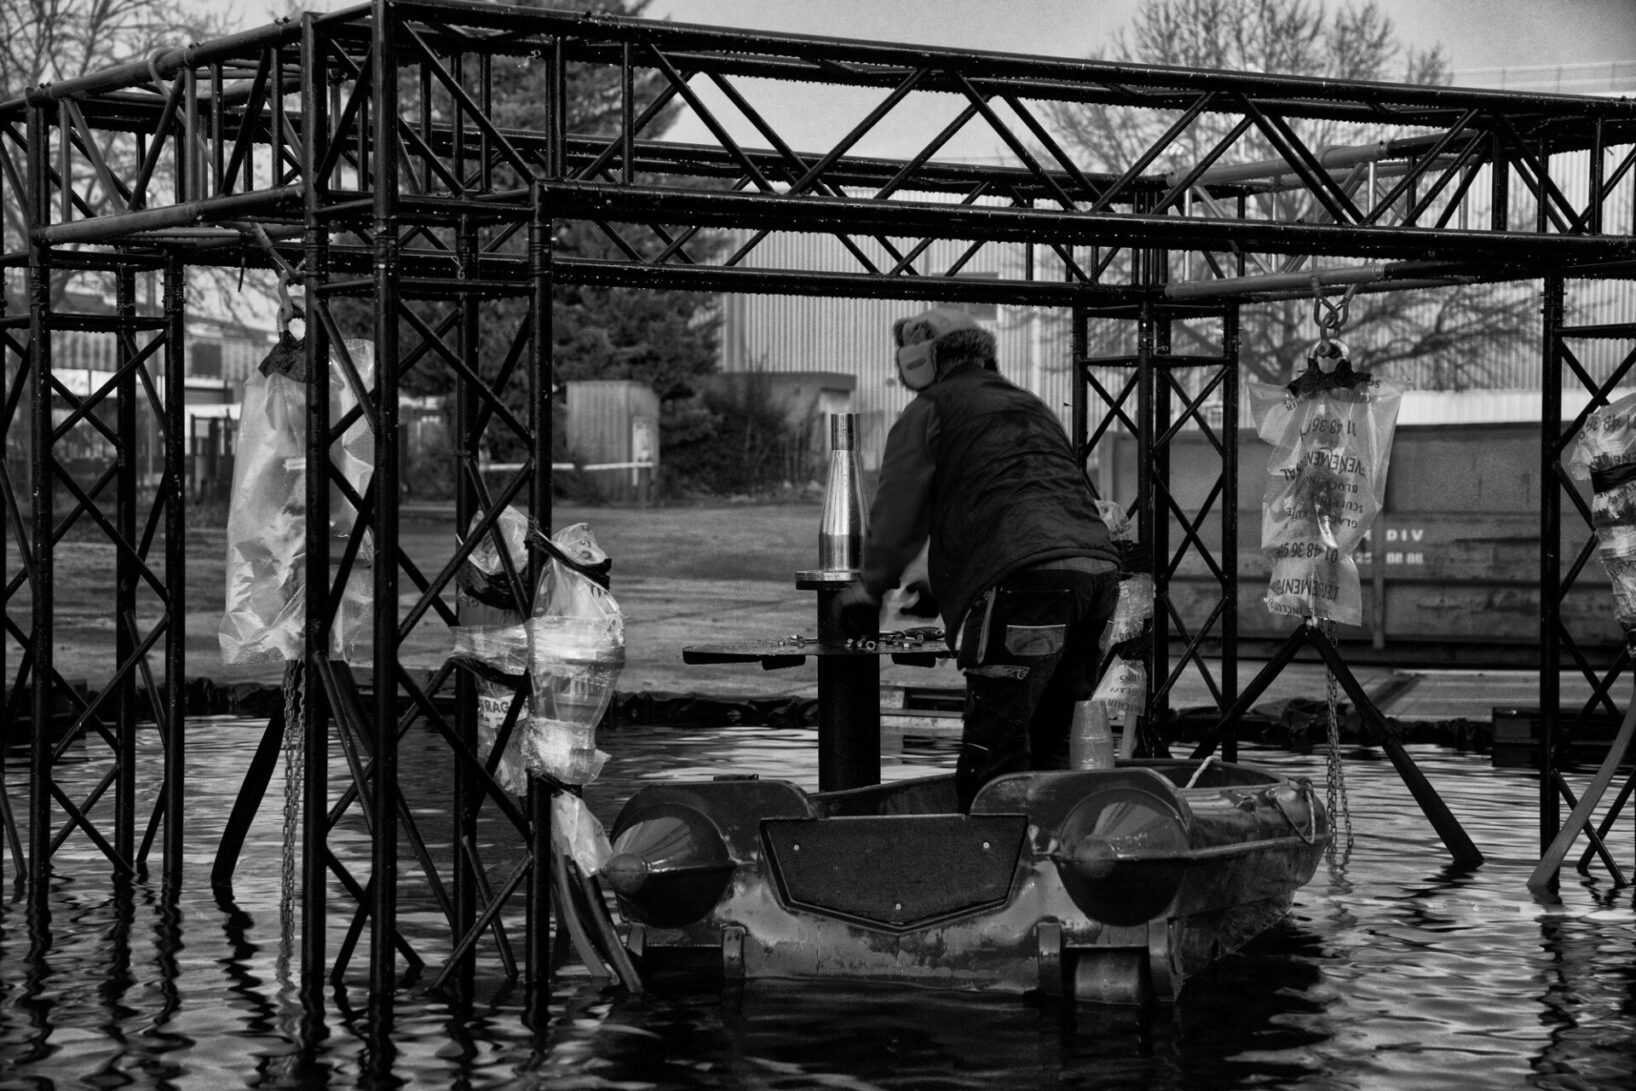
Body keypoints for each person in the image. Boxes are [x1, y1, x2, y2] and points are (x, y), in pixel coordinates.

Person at [838, 306, 1122, 811]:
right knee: (1053, 740)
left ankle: (991, 875)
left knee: (995, 752)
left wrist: (871, 586)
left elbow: (899, 509)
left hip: (1027, 585)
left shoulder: (932, 408)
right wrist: (943, 586)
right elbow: (1020, 498)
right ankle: (1056, 864)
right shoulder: (1028, 406)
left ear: (918, 364)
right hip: (1094, 577)